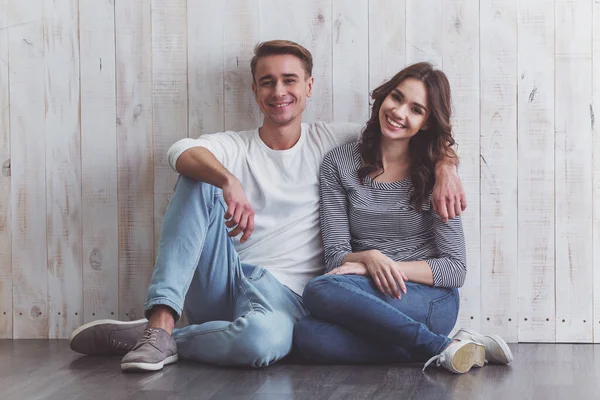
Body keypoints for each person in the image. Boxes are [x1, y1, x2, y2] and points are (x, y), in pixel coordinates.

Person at [68, 40, 466, 372]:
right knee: (196, 176)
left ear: (309, 87)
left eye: (289, 80)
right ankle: (160, 322)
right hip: (224, 279)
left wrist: (446, 165)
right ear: (255, 90)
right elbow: (180, 150)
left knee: (268, 341)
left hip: (285, 297)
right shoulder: (259, 149)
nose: (279, 92)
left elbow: (407, 139)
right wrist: (227, 179)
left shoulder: (335, 141)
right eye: (268, 82)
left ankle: (163, 339)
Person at [292, 62, 513, 374]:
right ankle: (444, 347)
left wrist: (390, 267)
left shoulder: (436, 172)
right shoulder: (338, 163)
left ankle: (441, 345)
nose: (399, 112)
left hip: (429, 300)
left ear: (425, 122)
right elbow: (335, 257)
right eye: (396, 98)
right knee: (308, 335)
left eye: (416, 109)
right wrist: (370, 258)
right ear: (384, 97)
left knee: (317, 290)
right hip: (363, 294)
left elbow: (455, 268)